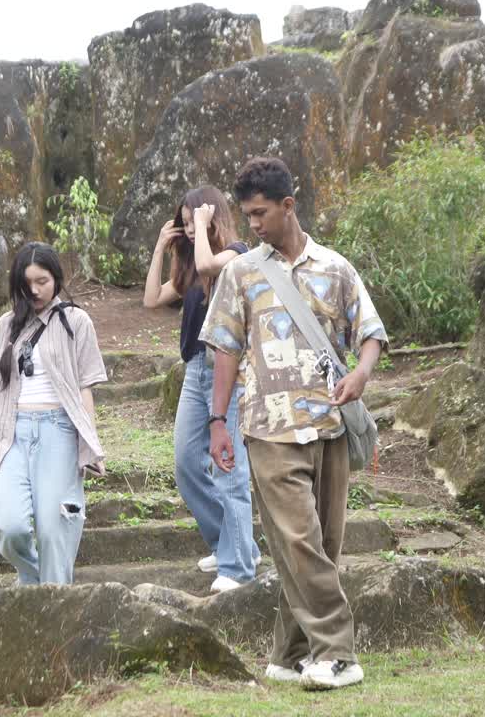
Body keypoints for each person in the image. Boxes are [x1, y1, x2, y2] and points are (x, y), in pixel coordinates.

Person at [201, 157, 387, 690]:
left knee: (318, 546)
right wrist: (218, 422)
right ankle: (338, 652)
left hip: (329, 426)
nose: (253, 224)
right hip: (268, 429)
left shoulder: (336, 268)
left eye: (261, 213)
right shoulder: (240, 273)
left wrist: (363, 375)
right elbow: (225, 350)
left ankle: (288, 653)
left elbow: (369, 332)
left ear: (288, 205)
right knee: (299, 541)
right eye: (248, 215)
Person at [142, 185, 260, 593]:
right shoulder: (190, 269)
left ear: (213, 217)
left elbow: (212, 266)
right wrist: (161, 245)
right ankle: (229, 542)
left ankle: (239, 565)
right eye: (185, 222)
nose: (190, 228)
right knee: (186, 463)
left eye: (195, 220)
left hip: (229, 372)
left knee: (228, 466)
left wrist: (206, 226)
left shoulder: (237, 253)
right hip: (195, 369)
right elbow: (151, 299)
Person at [0, 242, 108, 585]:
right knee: (6, 524)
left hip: (59, 431)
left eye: (43, 281)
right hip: (14, 433)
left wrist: (89, 443)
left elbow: (84, 389)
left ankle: (53, 603)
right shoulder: (6, 325)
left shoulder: (76, 322)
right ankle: (44, 585)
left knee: (54, 530)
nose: (34, 290)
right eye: (26, 282)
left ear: (57, 279)